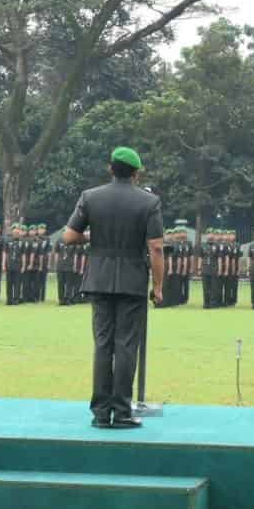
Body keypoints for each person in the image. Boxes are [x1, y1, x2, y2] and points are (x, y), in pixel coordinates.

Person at [64, 147, 164, 429]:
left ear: (111, 168)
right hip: (132, 281)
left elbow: (69, 236)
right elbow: (156, 248)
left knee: (102, 345)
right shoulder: (149, 202)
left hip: (99, 278)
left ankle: (99, 413)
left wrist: (93, 237)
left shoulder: (91, 197)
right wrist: (158, 287)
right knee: (126, 346)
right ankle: (121, 412)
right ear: (136, 172)